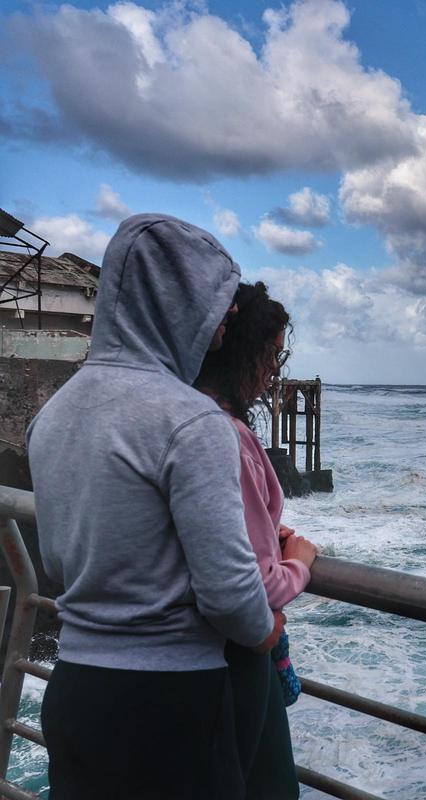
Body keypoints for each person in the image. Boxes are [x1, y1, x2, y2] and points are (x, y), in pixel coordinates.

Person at [26, 214, 284, 800]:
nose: (224, 327)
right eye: (218, 306)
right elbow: (229, 594)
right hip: (170, 702)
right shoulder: (191, 422)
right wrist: (269, 631)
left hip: (75, 688)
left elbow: (57, 561)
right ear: (182, 303)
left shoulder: (55, 413)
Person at [195, 281, 318, 799]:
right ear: (238, 348)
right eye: (271, 355)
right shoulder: (225, 434)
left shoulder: (184, 413)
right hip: (231, 661)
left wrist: (265, 530)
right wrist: (300, 563)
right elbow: (259, 585)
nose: (276, 371)